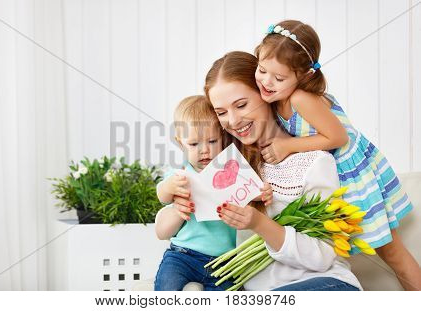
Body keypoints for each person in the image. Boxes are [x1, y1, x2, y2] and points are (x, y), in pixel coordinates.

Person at [253, 20, 420, 290]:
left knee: (390, 252)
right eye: (262, 70)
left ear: (304, 76)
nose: (267, 82)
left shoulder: (300, 99)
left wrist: (287, 147)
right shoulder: (275, 97)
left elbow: (337, 137)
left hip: (353, 175)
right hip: (330, 175)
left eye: (279, 78)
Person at [197, 50, 361, 290]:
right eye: (221, 112)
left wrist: (259, 223)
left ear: (266, 95)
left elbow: (323, 255)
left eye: (241, 105)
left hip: (325, 286)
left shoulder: (314, 162)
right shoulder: (229, 167)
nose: (232, 121)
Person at [154, 95, 272, 291]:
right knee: (167, 287)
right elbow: (162, 194)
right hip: (183, 255)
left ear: (222, 137)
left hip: (224, 261)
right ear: (180, 142)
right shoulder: (182, 175)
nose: (204, 151)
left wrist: (263, 193)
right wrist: (170, 189)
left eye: (211, 141)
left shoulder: (233, 171)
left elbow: (254, 193)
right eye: (194, 144)